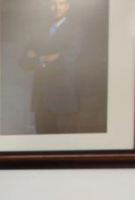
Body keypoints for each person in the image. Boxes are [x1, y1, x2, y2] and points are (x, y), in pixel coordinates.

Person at [20, 0, 83, 134]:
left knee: (65, 148)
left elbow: (66, 60)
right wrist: (48, 57)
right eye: (53, 4)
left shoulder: (75, 29)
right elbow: (23, 62)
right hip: (40, 99)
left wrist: (38, 57)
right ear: (48, 7)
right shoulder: (38, 30)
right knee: (42, 149)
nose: (56, 8)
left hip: (63, 100)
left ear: (67, 6)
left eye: (61, 4)